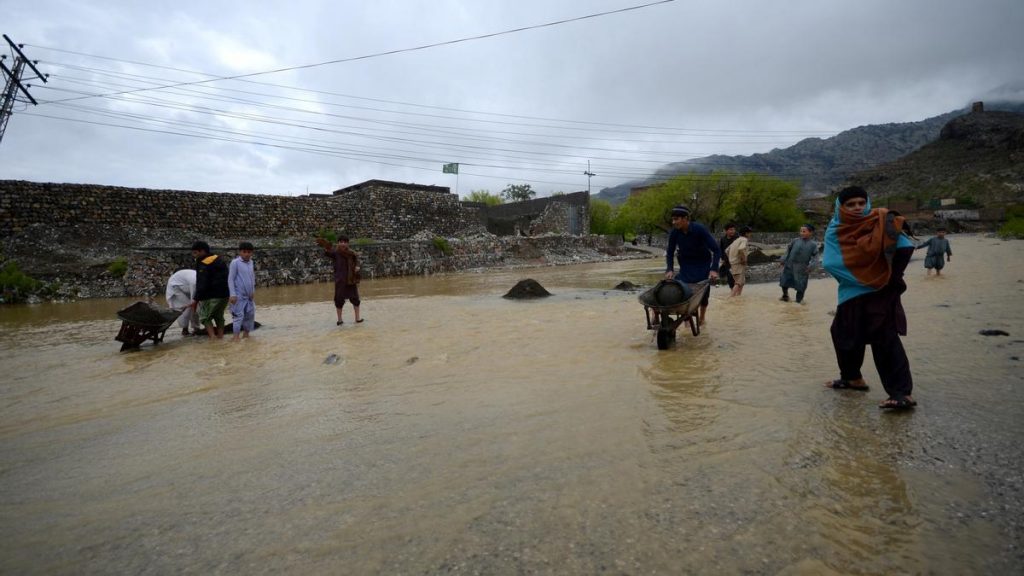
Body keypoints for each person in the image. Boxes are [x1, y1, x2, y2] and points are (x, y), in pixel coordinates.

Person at [822, 186, 917, 410]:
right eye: (850, 204)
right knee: (843, 334)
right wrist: (859, 275)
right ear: (841, 207)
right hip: (850, 292)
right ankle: (852, 379)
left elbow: (905, 247)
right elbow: (831, 262)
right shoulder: (835, 228)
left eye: (860, 203)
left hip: (880, 290)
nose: (857, 208)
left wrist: (888, 278)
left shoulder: (882, 221)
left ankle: (901, 393)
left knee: (885, 339)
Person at [663, 205, 720, 325]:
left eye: (676, 219)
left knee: (703, 293)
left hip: (702, 265)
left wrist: (714, 269)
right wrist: (669, 269)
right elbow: (669, 252)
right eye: (672, 219)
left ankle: (702, 318)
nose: (674, 222)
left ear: (685, 218)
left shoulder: (699, 229)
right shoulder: (675, 233)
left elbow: (716, 250)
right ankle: (686, 320)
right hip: (686, 266)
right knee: (683, 290)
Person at [316, 235, 363, 325]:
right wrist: (326, 247)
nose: (343, 244)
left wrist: (357, 267)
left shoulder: (352, 253)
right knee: (339, 300)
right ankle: (340, 320)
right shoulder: (335, 253)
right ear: (338, 243)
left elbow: (357, 262)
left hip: (351, 280)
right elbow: (328, 253)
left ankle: (357, 318)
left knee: (355, 299)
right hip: (340, 280)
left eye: (345, 242)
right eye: (341, 242)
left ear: (348, 243)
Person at [190, 240, 230, 340]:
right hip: (225, 295)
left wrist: (196, 299)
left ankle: (212, 338)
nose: (194, 255)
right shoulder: (219, 259)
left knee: (204, 317)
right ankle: (220, 337)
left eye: (195, 252)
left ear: (202, 251)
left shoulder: (204, 264)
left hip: (211, 296)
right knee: (218, 316)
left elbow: (202, 283)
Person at [779, 224, 820, 303]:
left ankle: (798, 301)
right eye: (801, 231)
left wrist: (811, 266)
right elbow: (788, 250)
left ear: (810, 232)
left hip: (802, 267)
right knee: (784, 281)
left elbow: (816, 257)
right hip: (789, 264)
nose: (801, 233)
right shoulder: (795, 241)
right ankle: (785, 296)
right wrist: (783, 260)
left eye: (804, 231)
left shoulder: (813, 245)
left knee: (801, 285)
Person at [228, 241, 257, 341]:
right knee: (238, 317)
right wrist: (232, 294)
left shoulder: (251, 262)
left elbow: (252, 277)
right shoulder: (235, 263)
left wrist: (253, 290)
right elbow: (231, 279)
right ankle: (236, 337)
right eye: (244, 252)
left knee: (250, 315)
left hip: (249, 296)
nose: (247, 254)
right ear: (240, 252)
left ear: (252, 253)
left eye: (249, 252)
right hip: (238, 295)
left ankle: (246, 334)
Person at [165, 268, 201, 336]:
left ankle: (196, 328)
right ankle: (186, 330)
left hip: (185, 284)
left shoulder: (202, 279)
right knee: (186, 308)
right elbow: (194, 302)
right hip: (175, 286)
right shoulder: (195, 282)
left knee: (196, 307)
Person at [726, 226, 752, 297]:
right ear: (746, 233)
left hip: (733, 263)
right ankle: (730, 299)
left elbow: (727, 250)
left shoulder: (736, 240)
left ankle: (738, 297)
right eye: (749, 233)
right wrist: (743, 259)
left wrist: (731, 259)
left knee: (742, 282)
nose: (750, 234)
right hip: (738, 264)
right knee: (738, 282)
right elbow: (741, 249)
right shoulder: (744, 240)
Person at [718, 223, 738, 289]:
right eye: (730, 229)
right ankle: (733, 294)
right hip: (727, 262)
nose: (732, 231)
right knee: (730, 278)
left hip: (736, 262)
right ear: (726, 231)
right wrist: (722, 259)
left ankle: (736, 294)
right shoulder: (723, 239)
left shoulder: (737, 238)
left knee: (736, 279)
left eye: (734, 229)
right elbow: (721, 250)